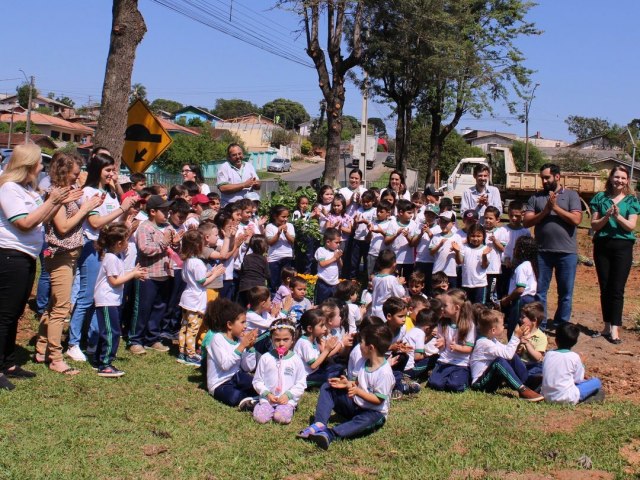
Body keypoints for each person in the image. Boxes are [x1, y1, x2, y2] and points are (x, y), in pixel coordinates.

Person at [0, 144, 72, 390]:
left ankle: (8, 362)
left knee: (15, 311)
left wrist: (58, 201)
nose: (43, 167)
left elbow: (41, 217)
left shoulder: (27, 189)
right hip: (10, 256)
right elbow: (25, 223)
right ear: (28, 165)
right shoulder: (9, 188)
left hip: (27, 256)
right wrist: (52, 200)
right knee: (5, 314)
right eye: (40, 163)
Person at [34, 153, 101, 374]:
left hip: (68, 254)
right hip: (61, 254)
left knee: (55, 304)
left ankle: (42, 348)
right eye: (74, 172)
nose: (78, 175)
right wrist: (85, 207)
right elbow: (62, 227)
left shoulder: (65, 193)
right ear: (63, 172)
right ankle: (55, 357)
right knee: (61, 308)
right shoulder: (56, 194)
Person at [67, 152, 137, 362]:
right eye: (108, 170)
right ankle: (73, 342)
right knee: (87, 296)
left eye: (114, 170)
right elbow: (96, 223)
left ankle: (93, 341)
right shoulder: (88, 192)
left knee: (102, 297)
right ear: (98, 170)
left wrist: (126, 216)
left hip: (109, 250)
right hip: (92, 247)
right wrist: (122, 210)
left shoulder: (111, 194)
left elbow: (113, 224)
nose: (112, 174)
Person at [298, 323, 395, 450]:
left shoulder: (384, 373)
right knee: (328, 387)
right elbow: (360, 383)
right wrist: (347, 384)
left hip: (374, 412)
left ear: (371, 347)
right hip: (356, 405)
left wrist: (357, 391)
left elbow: (378, 400)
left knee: (364, 421)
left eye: (361, 342)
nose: (359, 345)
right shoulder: (363, 362)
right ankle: (319, 423)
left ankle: (330, 434)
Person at [523, 163, 582, 331]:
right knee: (540, 291)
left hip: (567, 253)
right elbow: (527, 221)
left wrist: (555, 207)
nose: (544, 181)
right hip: (542, 252)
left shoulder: (571, 195)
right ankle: (540, 324)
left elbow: (577, 220)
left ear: (557, 177)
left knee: (565, 293)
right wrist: (545, 211)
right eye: (542, 178)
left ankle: (561, 325)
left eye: (547, 177)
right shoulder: (536, 198)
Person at [590, 166, 640, 344]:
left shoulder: (631, 200)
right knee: (604, 287)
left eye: (623, 178)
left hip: (623, 246)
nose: (619, 180)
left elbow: (631, 226)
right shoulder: (600, 198)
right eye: (616, 177)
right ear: (611, 178)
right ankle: (606, 325)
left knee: (617, 288)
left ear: (627, 181)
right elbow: (594, 225)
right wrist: (606, 217)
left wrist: (617, 217)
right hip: (602, 244)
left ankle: (615, 329)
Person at [94, 223, 148, 377]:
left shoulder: (115, 257)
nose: (128, 244)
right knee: (112, 332)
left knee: (109, 330)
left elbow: (121, 274)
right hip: (106, 300)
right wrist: (133, 275)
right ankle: (105, 364)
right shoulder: (110, 258)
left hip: (112, 300)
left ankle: (100, 359)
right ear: (119, 243)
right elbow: (115, 281)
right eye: (127, 240)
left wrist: (134, 272)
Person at [129, 195, 179, 355]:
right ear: (152, 212)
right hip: (147, 275)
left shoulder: (168, 227)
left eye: (168, 210)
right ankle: (135, 340)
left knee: (159, 308)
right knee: (143, 309)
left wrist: (176, 243)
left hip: (164, 274)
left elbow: (172, 250)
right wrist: (164, 242)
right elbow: (145, 249)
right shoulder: (145, 228)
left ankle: (152, 337)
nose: (167, 214)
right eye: (163, 211)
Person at [470, 309, 544, 401]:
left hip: (491, 380)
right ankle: (522, 389)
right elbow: (507, 354)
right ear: (493, 330)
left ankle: (527, 383)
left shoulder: (491, 340)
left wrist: (520, 338)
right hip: (480, 384)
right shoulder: (483, 343)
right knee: (499, 362)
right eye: (502, 325)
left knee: (513, 356)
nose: (503, 327)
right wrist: (515, 336)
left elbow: (508, 352)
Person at [177, 230, 225, 366]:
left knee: (184, 327)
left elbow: (197, 277)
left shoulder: (187, 261)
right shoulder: (197, 263)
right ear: (198, 246)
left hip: (187, 298)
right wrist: (215, 275)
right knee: (193, 329)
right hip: (195, 299)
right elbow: (202, 282)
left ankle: (182, 352)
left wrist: (212, 272)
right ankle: (191, 355)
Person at [205, 298, 258, 409]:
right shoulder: (217, 339)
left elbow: (248, 367)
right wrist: (242, 346)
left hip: (236, 376)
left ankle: (255, 398)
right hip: (220, 383)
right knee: (233, 397)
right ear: (229, 324)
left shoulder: (239, 340)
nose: (246, 326)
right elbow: (225, 365)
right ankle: (252, 401)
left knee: (257, 384)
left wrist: (250, 348)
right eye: (242, 322)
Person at [251, 319, 307, 424]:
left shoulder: (296, 360)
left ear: (292, 339)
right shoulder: (265, 358)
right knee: (260, 419)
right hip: (268, 400)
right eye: (277, 340)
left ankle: (288, 409)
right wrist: (267, 394)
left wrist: (288, 395)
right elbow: (257, 381)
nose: (281, 343)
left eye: (286, 339)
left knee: (280, 418)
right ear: (271, 339)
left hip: (286, 401)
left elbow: (301, 383)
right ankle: (258, 404)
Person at [541, 323, 603, 404]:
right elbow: (578, 379)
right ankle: (582, 400)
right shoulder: (574, 357)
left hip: (547, 396)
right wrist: (581, 363)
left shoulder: (548, 354)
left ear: (556, 340)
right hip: (567, 397)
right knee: (596, 381)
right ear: (575, 342)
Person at [427, 289, 475, 393]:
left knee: (454, 386)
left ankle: (466, 378)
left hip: (461, 363)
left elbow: (469, 348)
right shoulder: (442, 323)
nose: (442, 308)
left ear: (456, 308)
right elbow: (441, 338)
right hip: (444, 361)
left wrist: (458, 347)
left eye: (445, 305)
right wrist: (441, 342)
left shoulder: (469, 326)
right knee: (435, 384)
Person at [499, 236, 538, 339]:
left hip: (521, 300)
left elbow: (520, 289)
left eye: (516, 247)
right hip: (528, 299)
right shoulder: (530, 264)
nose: (513, 250)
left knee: (514, 330)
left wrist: (506, 299)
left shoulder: (522, 267)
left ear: (521, 250)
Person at [293, 309, 342, 387]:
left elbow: (320, 359)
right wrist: (327, 349)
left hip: (315, 372)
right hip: (306, 377)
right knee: (330, 376)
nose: (325, 328)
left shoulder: (314, 339)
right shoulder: (304, 343)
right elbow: (313, 365)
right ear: (310, 328)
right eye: (322, 326)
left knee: (338, 367)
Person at [452, 223, 490, 304]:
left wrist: (484, 255)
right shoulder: (464, 248)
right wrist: (457, 251)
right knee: (466, 307)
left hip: (480, 284)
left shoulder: (485, 249)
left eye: (478, 236)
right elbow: (459, 262)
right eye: (473, 236)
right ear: (468, 236)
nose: (475, 238)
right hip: (466, 284)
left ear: (483, 237)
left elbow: (484, 265)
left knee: (479, 308)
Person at [265, 205, 295, 294]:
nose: (285, 219)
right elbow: (270, 242)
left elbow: (292, 241)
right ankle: (273, 299)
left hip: (287, 256)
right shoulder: (269, 227)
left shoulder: (290, 226)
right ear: (275, 216)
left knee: (286, 281)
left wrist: (285, 232)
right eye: (283, 217)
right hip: (274, 258)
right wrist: (278, 233)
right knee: (273, 282)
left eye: (287, 217)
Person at [370, 250, 406, 319]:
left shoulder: (375, 278)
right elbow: (400, 293)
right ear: (394, 265)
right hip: (384, 313)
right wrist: (399, 283)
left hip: (374, 311)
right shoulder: (391, 279)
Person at [314, 228, 343, 304]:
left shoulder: (336, 251)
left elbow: (340, 266)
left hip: (334, 284)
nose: (338, 244)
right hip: (323, 283)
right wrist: (334, 258)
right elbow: (322, 264)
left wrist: (339, 258)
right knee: (321, 304)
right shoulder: (321, 250)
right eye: (336, 242)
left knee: (333, 304)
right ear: (328, 242)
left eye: (339, 242)